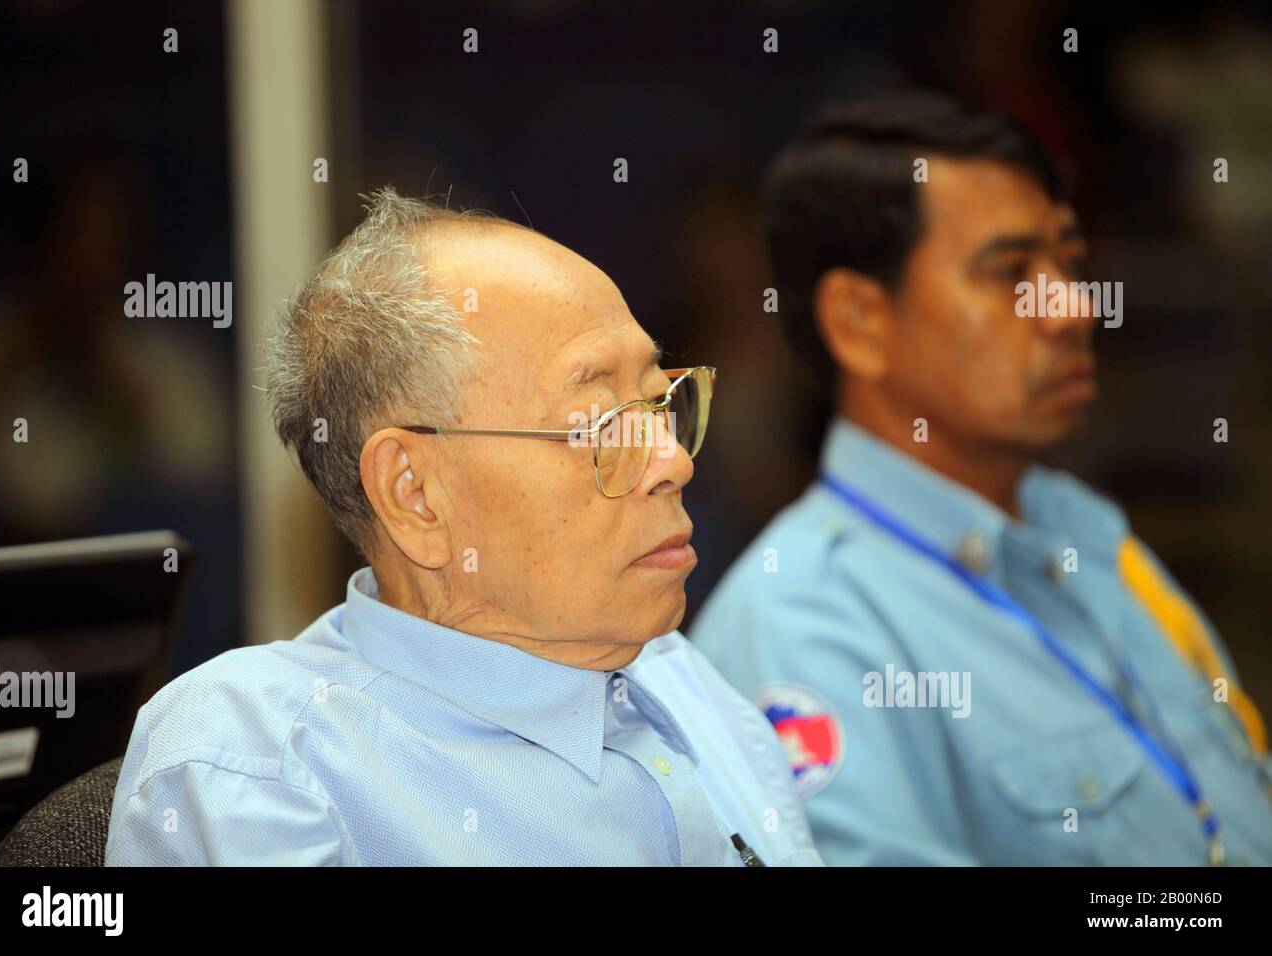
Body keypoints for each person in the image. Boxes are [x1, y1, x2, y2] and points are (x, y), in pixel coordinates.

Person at [106, 188, 819, 866]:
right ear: (417, 495)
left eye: (661, 402)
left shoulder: (680, 676)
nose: (672, 462)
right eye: (603, 423)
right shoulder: (263, 765)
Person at [692, 92, 1272, 866]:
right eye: (1010, 271)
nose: (1071, 307)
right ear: (860, 321)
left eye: (1069, 262)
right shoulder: (804, 620)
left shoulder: (1080, 530)